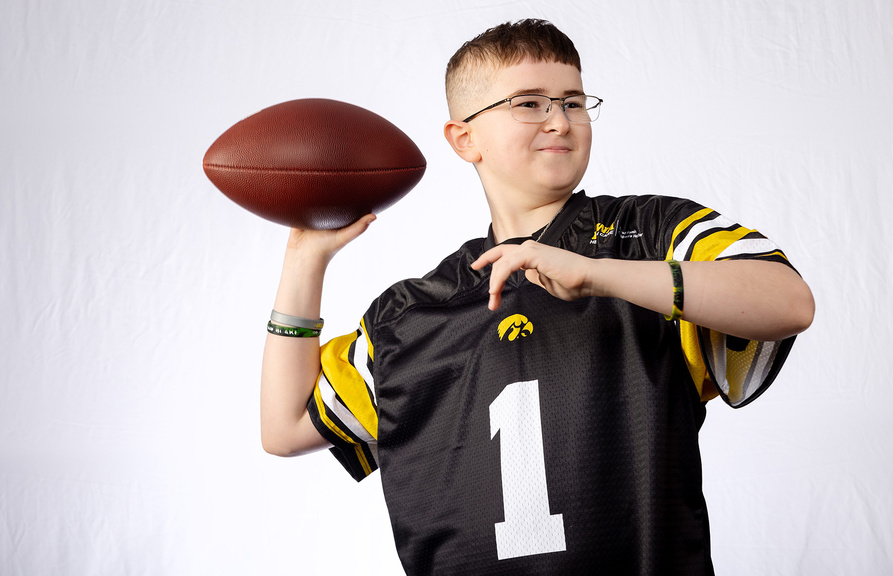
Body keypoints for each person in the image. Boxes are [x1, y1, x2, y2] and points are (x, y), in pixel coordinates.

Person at [260, 18, 814, 576]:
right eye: (528, 103)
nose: (560, 120)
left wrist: (598, 274)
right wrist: (305, 257)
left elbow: (789, 303)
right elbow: (284, 429)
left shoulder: (652, 233)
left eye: (573, 101)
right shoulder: (412, 313)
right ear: (464, 138)